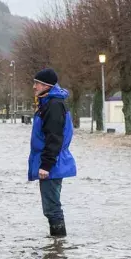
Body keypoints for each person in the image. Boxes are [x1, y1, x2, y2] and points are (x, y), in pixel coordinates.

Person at [29, 68, 76, 237]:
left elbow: (54, 137)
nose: (34, 87)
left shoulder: (53, 105)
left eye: (37, 83)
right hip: (53, 161)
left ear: (47, 85)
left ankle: (58, 246)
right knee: (51, 206)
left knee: (52, 207)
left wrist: (46, 165)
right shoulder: (50, 102)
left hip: (52, 163)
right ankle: (57, 247)